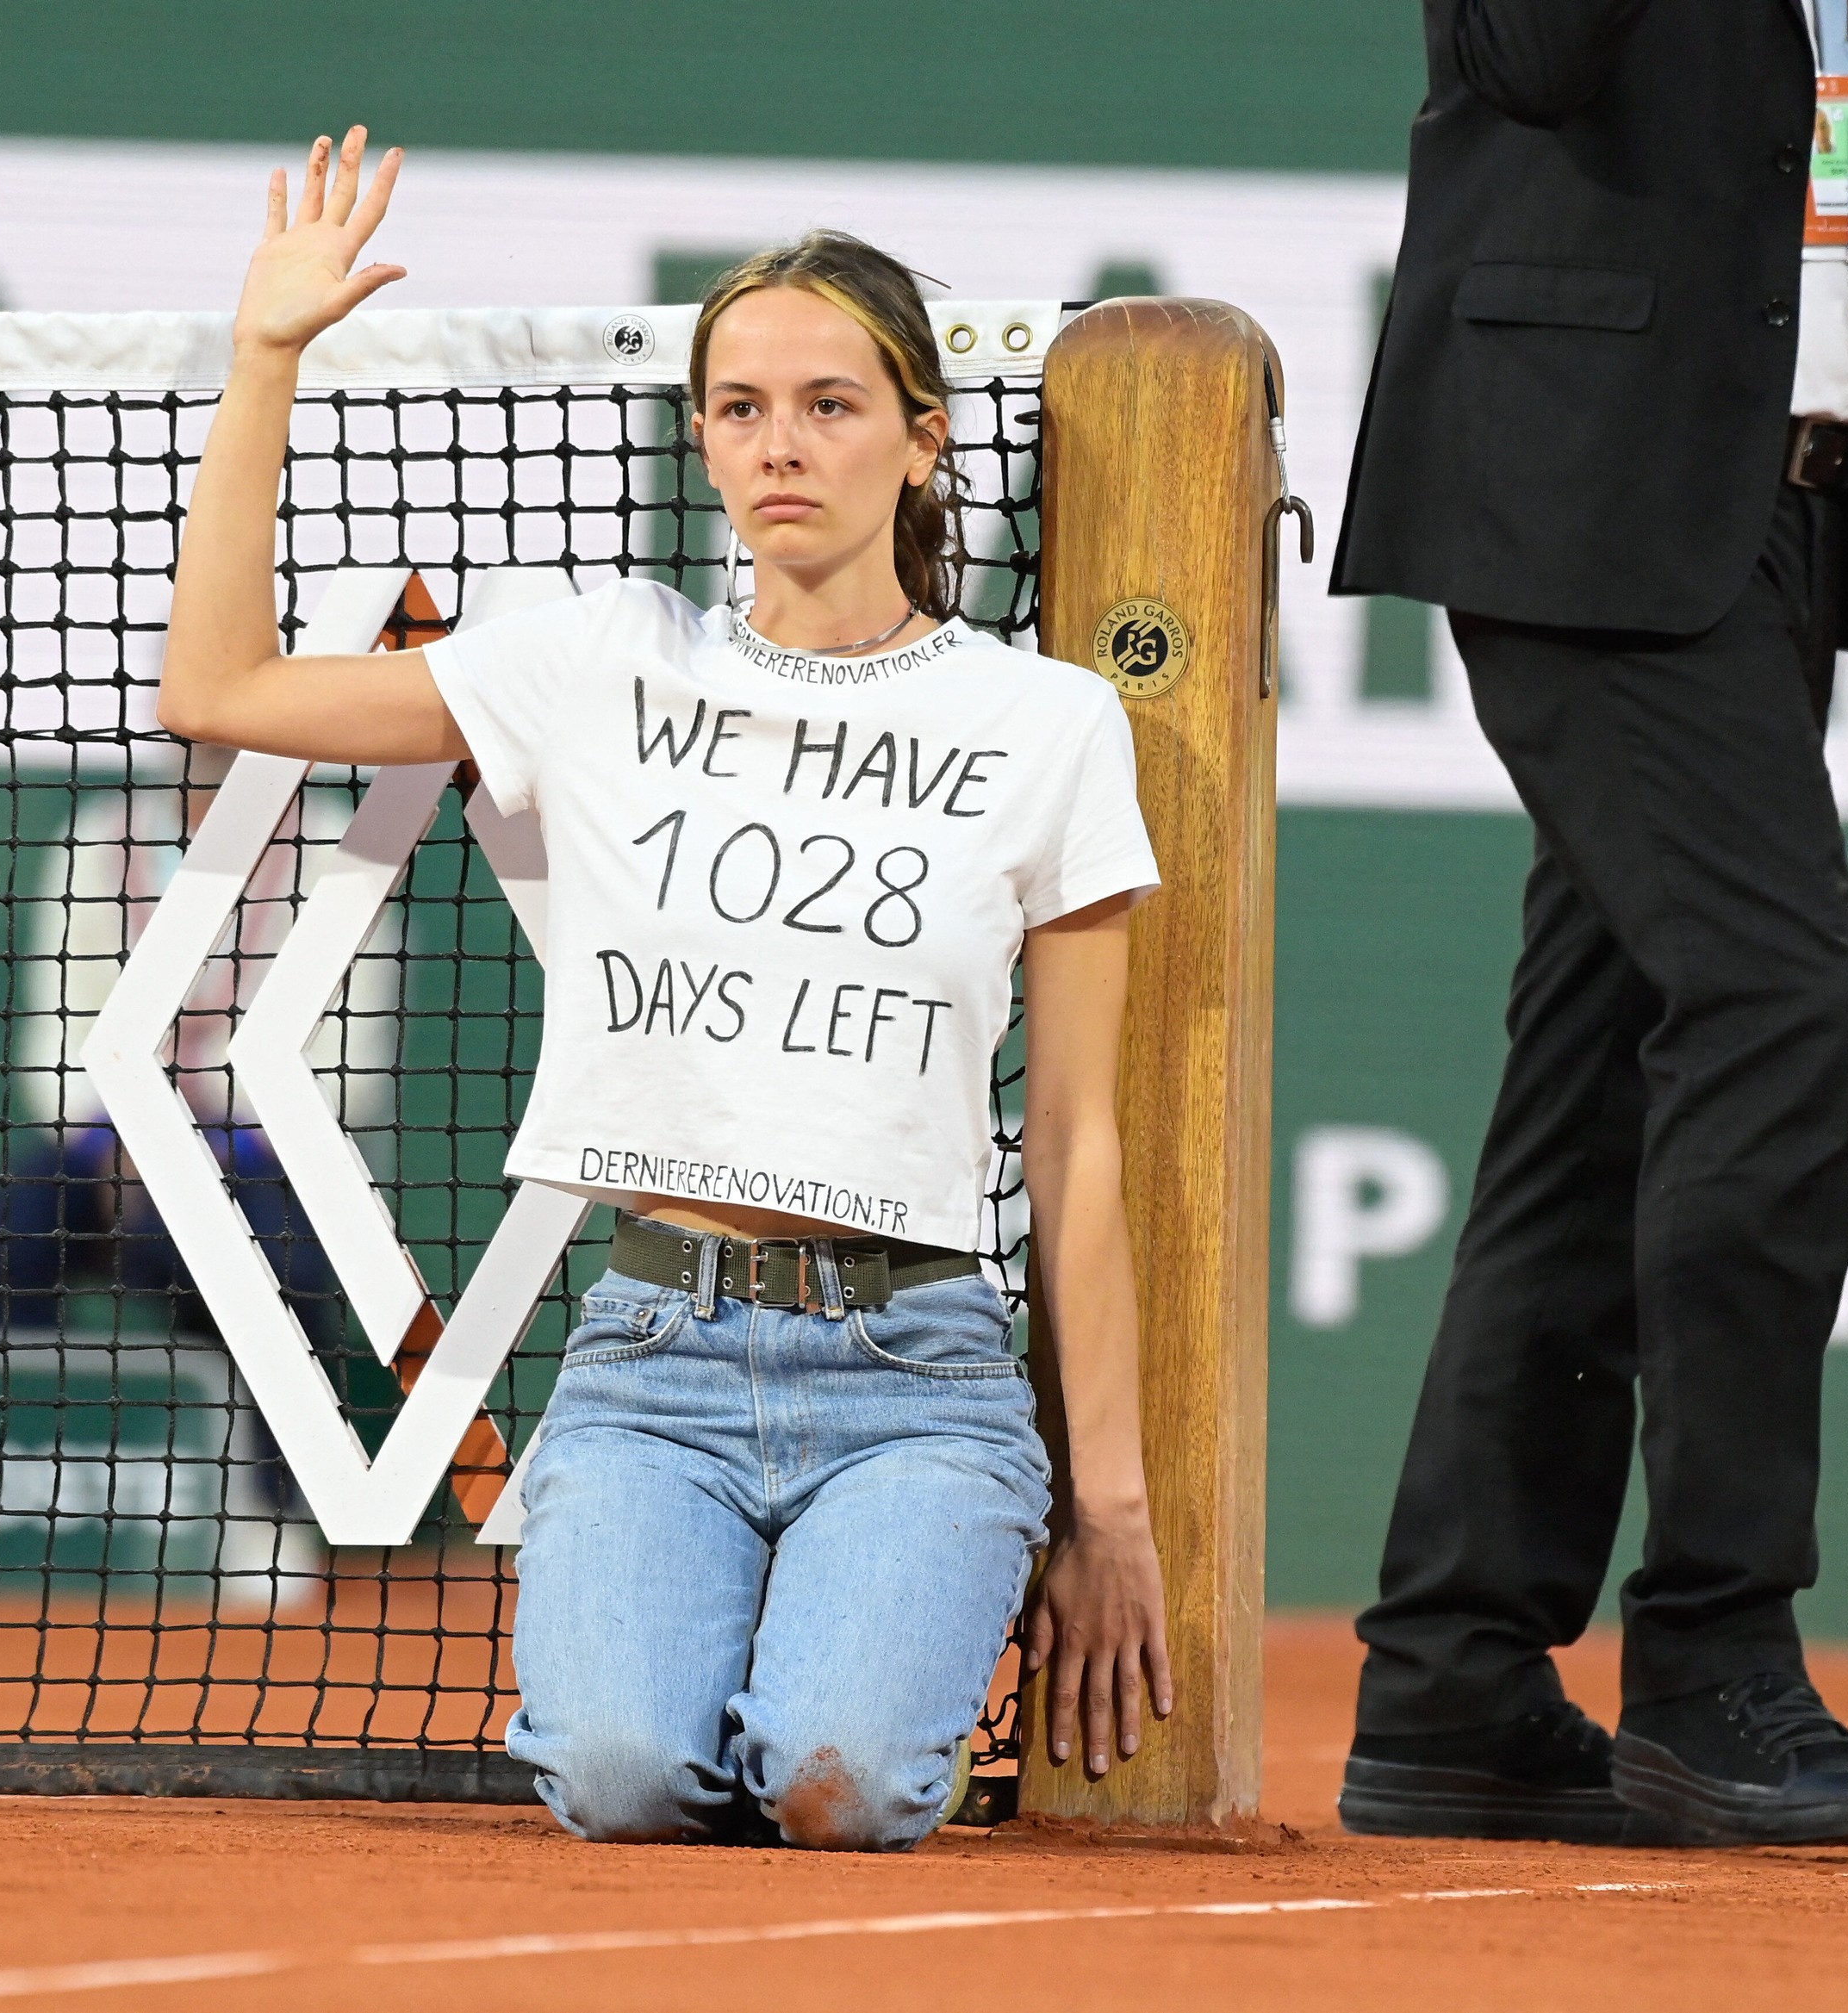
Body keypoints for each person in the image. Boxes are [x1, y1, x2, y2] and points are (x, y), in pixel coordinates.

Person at [155, 128, 1175, 1848]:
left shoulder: (1045, 723)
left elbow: (1072, 1144)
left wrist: (1115, 1509)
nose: (781, 442)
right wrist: (265, 361)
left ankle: (896, 1603)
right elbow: (219, 682)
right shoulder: (597, 659)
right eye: (740, 406)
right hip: (651, 1354)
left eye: (833, 403)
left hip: (914, 1366)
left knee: (836, 1791)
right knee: (622, 1779)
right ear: (701, 437)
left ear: (924, 440)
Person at [1328, 3, 1848, 1846]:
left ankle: (1455, 1675)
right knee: (1776, 1000)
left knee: (1599, 1074)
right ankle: (1716, 1652)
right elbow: (1533, 58)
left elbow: (1770, 90)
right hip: (1579, 472)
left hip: (1775, 490)